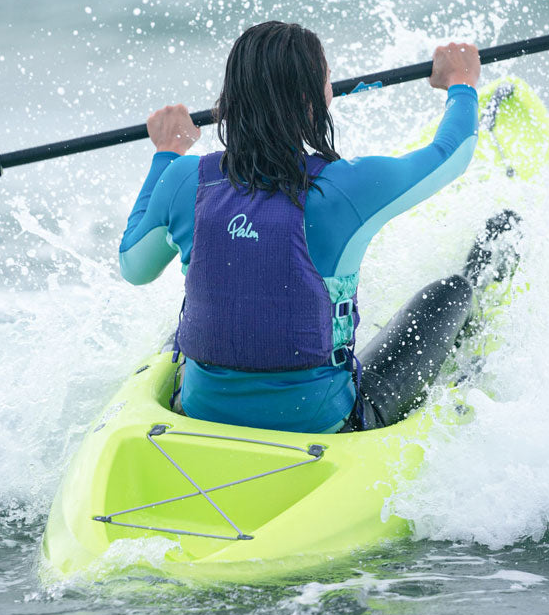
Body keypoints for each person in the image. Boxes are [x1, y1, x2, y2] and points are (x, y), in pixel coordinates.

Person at [119, 21, 482, 434]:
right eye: (327, 79)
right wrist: (461, 82)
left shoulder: (185, 178)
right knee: (451, 292)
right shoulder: (348, 187)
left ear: (229, 99)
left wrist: (167, 154)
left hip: (202, 411)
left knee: (205, 314)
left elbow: (135, 267)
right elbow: (452, 153)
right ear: (315, 101)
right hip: (320, 425)